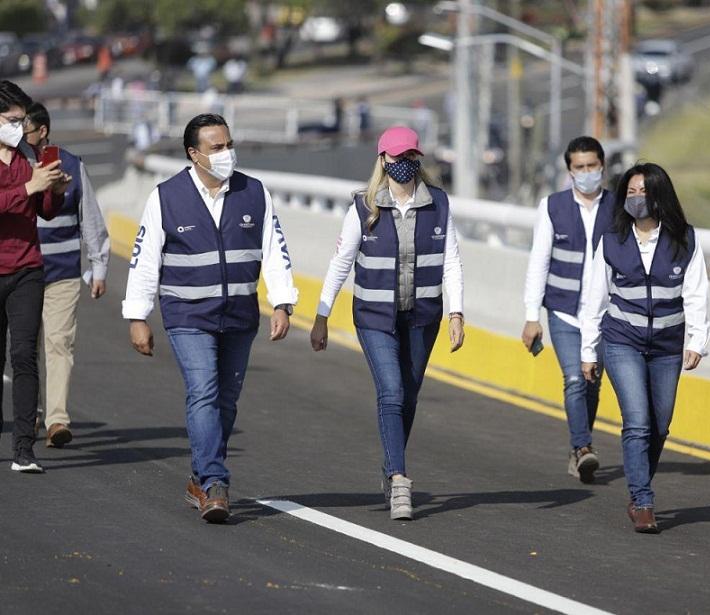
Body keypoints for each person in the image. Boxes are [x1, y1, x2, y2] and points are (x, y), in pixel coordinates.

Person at [123, 113, 298, 522]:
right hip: (187, 315)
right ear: (194, 153)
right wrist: (137, 316)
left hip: (239, 314)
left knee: (226, 400)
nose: (226, 154)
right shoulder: (166, 197)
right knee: (203, 390)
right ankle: (216, 483)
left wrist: (282, 302)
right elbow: (145, 260)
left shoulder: (254, 193)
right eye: (217, 148)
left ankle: (200, 477)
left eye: (228, 144)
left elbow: (275, 251)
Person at [310, 126, 464, 521]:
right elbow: (341, 263)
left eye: (410, 157)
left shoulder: (439, 205)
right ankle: (399, 479)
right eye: (396, 159)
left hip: (422, 317)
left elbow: (451, 262)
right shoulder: (363, 207)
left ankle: (389, 464)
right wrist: (322, 315)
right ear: (383, 161)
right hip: (375, 318)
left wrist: (456, 313)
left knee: (408, 397)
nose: (403, 165)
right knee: (392, 392)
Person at [580, 162, 710, 533]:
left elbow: (696, 292)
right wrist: (589, 351)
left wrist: (696, 339)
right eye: (630, 193)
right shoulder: (612, 241)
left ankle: (640, 486)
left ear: (660, 195)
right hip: (623, 340)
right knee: (637, 422)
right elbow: (595, 300)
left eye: (644, 192)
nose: (637, 200)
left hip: (668, 345)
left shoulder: (684, 239)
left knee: (660, 426)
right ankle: (643, 500)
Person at [521, 136, 615, 483]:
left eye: (592, 166)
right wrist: (532, 316)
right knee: (575, 377)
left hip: (605, 316)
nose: (587, 173)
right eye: (580, 167)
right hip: (562, 311)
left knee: (592, 382)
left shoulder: (619, 208)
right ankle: (581, 447)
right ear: (570, 171)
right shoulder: (552, 207)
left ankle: (580, 446)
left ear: (602, 166)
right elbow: (538, 261)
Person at [24, 102, 110, 448]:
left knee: (59, 343)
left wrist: (99, 265)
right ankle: (28, 411)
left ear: (42, 130)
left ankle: (57, 419)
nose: (18, 135)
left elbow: (90, 216)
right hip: (21, 273)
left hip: (62, 273)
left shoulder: (73, 165)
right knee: (24, 347)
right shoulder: (13, 166)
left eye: (24, 129)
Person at [0, 80, 71, 473]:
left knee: (25, 355)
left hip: (28, 268)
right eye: (11, 120)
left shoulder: (30, 155)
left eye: (21, 120)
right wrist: (29, 186)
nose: (18, 127)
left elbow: (44, 211)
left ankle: (24, 449)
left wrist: (54, 190)